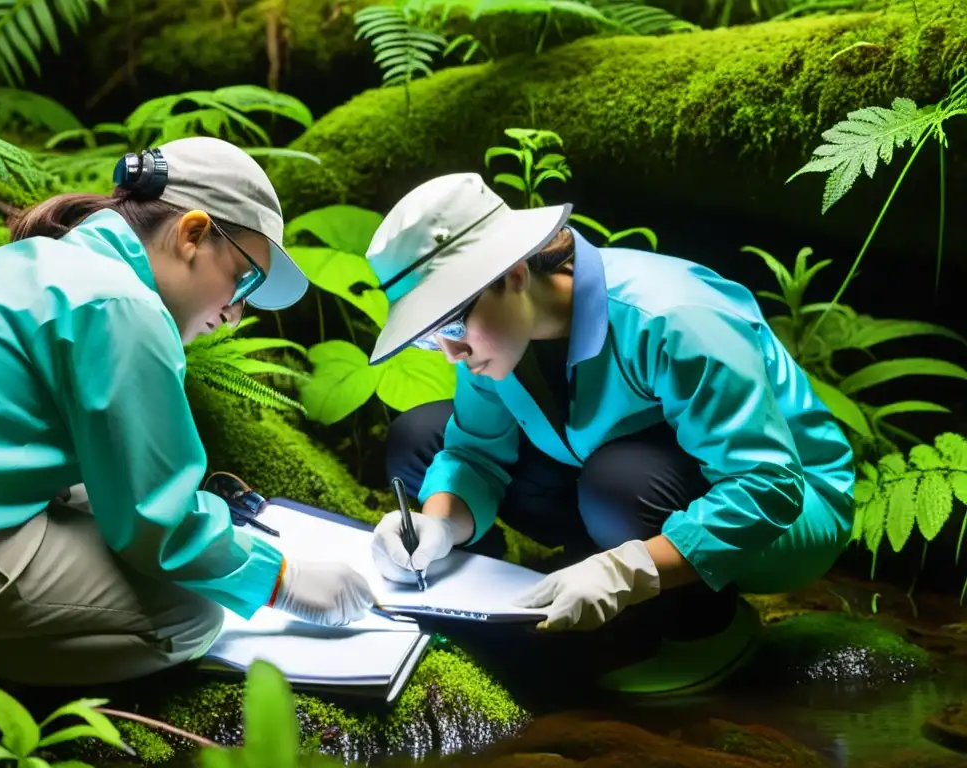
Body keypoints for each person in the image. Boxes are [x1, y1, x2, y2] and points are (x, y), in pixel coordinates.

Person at [366, 172, 856, 695]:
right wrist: (436, 527)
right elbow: (475, 453)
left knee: (618, 485)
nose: (451, 353)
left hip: (790, 505)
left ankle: (706, 628)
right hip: (616, 475)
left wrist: (628, 570)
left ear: (512, 275)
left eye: (454, 324)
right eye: (428, 336)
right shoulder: (496, 335)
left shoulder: (672, 316)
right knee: (420, 437)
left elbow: (768, 483)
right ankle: (481, 602)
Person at [0, 137, 375, 687]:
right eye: (245, 280)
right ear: (192, 234)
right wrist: (281, 579)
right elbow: (156, 520)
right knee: (190, 617)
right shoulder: (121, 304)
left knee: (85, 502)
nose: (236, 315)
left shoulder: (25, 263)